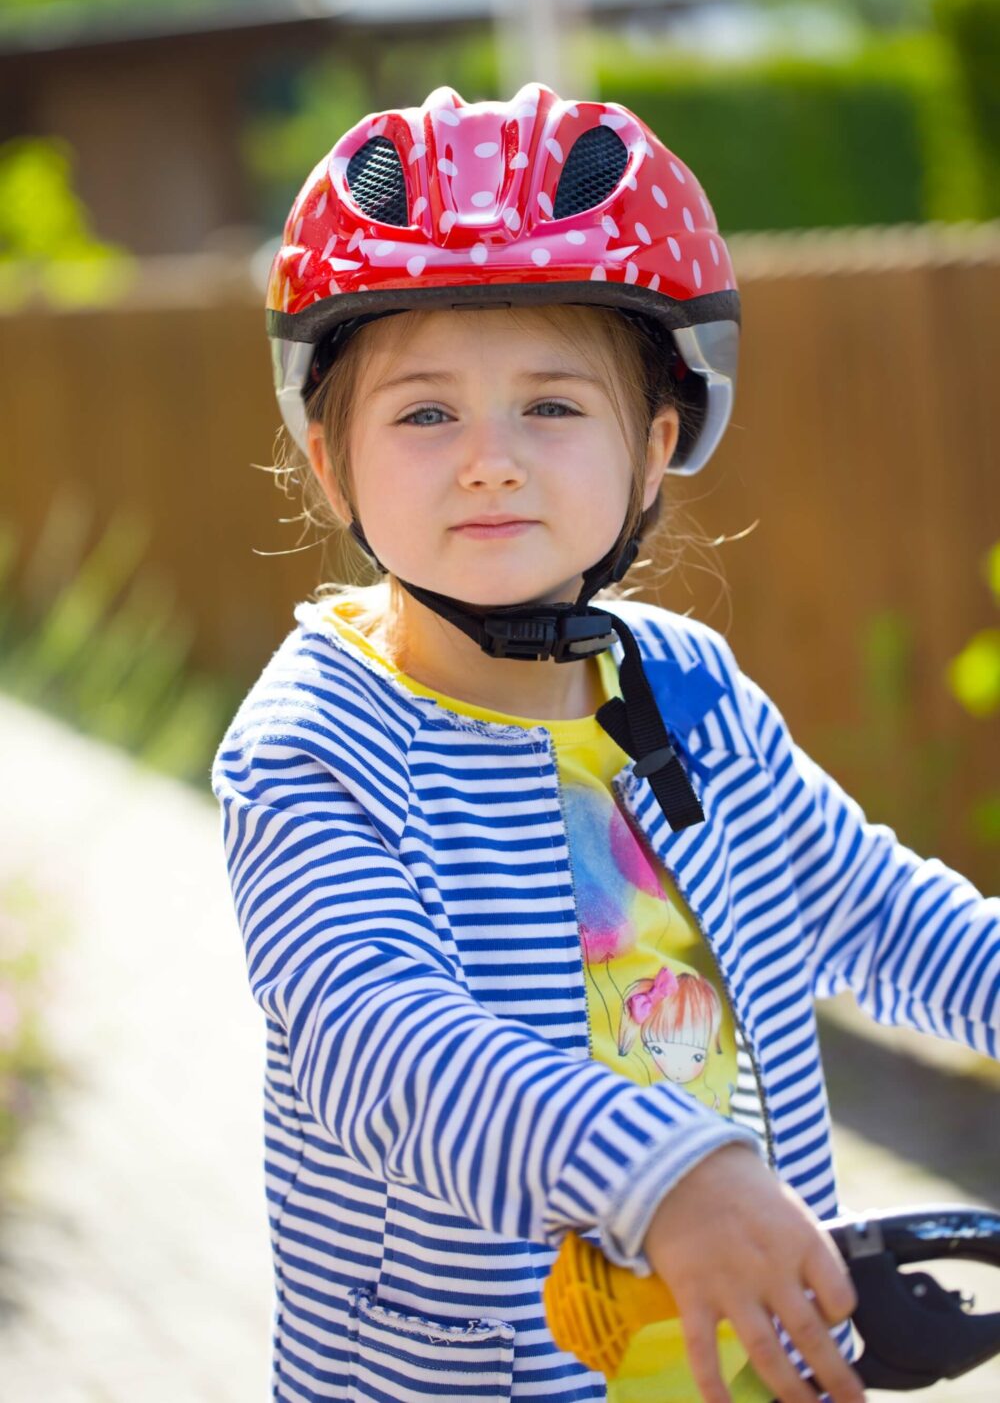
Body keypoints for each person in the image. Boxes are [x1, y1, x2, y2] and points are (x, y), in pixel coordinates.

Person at [211, 81, 999, 1403]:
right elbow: (378, 1038)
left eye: (554, 407)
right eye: (423, 413)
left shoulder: (686, 689)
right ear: (328, 459)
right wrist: (664, 1169)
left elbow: (874, 910)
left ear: (657, 445)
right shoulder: (313, 744)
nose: (490, 461)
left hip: (748, 1360)